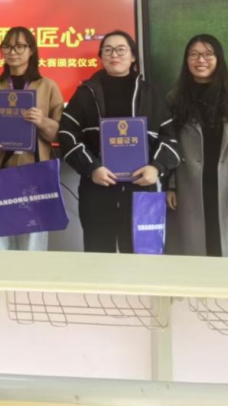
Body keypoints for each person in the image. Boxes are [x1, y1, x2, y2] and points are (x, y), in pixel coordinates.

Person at [58, 30, 180, 253]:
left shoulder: (151, 93)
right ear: (101, 56)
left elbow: (170, 136)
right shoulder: (85, 94)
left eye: (121, 49)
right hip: (97, 187)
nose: (114, 54)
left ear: (133, 56)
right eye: (108, 50)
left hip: (142, 188)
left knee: (141, 256)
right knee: (98, 254)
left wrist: (156, 168)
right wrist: (92, 168)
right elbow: (67, 134)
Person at [165, 34, 228, 258]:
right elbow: (169, 145)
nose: (200, 60)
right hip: (190, 183)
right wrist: (171, 185)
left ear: (218, 59)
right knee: (195, 246)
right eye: (194, 54)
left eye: (208, 54)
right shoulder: (175, 98)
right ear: (186, 60)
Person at [0, 26, 63, 251]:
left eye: (20, 46)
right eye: (7, 46)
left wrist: (42, 121)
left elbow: (60, 131)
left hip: (35, 170)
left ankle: (30, 277)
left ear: (32, 50)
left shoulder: (48, 86)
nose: (13, 52)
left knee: (33, 238)